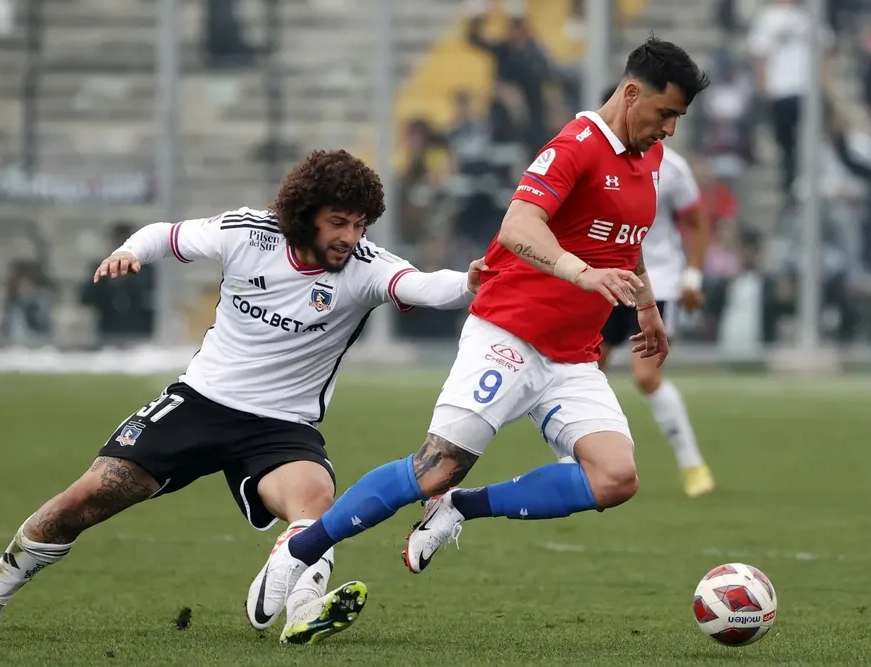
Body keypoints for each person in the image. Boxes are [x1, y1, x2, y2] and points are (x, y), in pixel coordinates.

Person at [0, 150, 486, 644]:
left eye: (360, 224)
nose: (350, 235)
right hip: (199, 404)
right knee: (83, 499)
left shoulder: (366, 268)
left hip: (281, 426)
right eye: (338, 221)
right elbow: (162, 235)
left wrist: (469, 281)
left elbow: (424, 285)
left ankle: (303, 610)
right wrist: (130, 252)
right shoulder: (248, 234)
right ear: (303, 215)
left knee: (314, 501)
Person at [244, 37, 709, 618]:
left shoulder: (651, 158)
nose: (669, 130)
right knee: (433, 467)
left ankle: (461, 508)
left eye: (678, 119)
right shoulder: (575, 147)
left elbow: (627, 237)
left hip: (571, 356)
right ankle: (300, 550)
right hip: (508, 335)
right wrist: (580, 273)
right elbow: (519, 226)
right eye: (666, 114)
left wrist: (646, 308)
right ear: (633, 92)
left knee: (615, 478)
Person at [595, 85, 714, 498]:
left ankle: (692, 463)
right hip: (604, 279)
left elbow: (697, 221)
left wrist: (692, 277)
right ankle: (579, 463)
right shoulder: (592, 157)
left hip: (656, 281)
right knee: (586, 372)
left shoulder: (670, 165)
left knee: (646, 376)